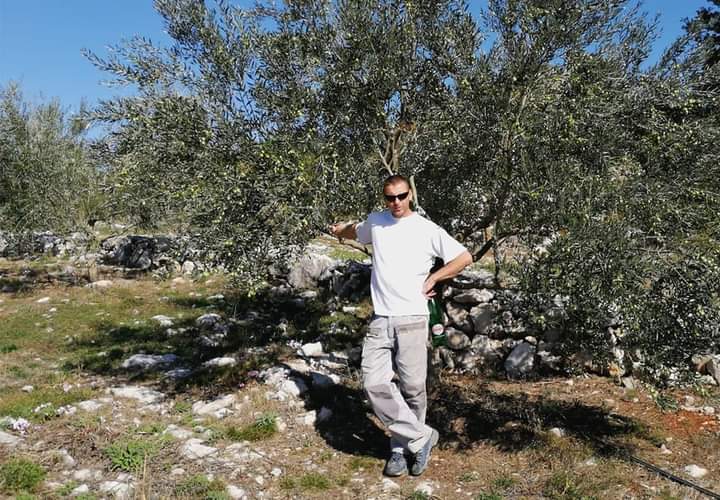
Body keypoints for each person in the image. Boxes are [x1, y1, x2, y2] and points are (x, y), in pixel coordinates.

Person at [330, 174, 472, 476]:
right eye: (390, 197)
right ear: (384, 198)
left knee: (412, 389)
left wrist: (434, 278)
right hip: (381, 318)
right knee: (373, 382)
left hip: (412, 317)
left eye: (401, 196)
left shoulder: (425, 229)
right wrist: (338, 230)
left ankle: (400, 449)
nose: (396, 202)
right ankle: (421, 437)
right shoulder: (377, 222)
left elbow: (464, 256)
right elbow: (355, 231)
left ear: (411, 195)